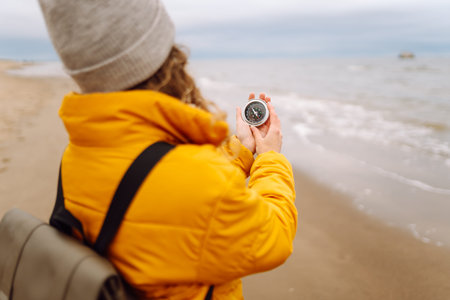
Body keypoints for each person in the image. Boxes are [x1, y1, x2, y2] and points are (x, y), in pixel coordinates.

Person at [38, 0, 297, 299]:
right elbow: (274, 237)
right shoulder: (195, 176)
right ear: (161, 56)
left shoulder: (77, 154)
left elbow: (182, 193)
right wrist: (270, 157)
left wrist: (241, 151)